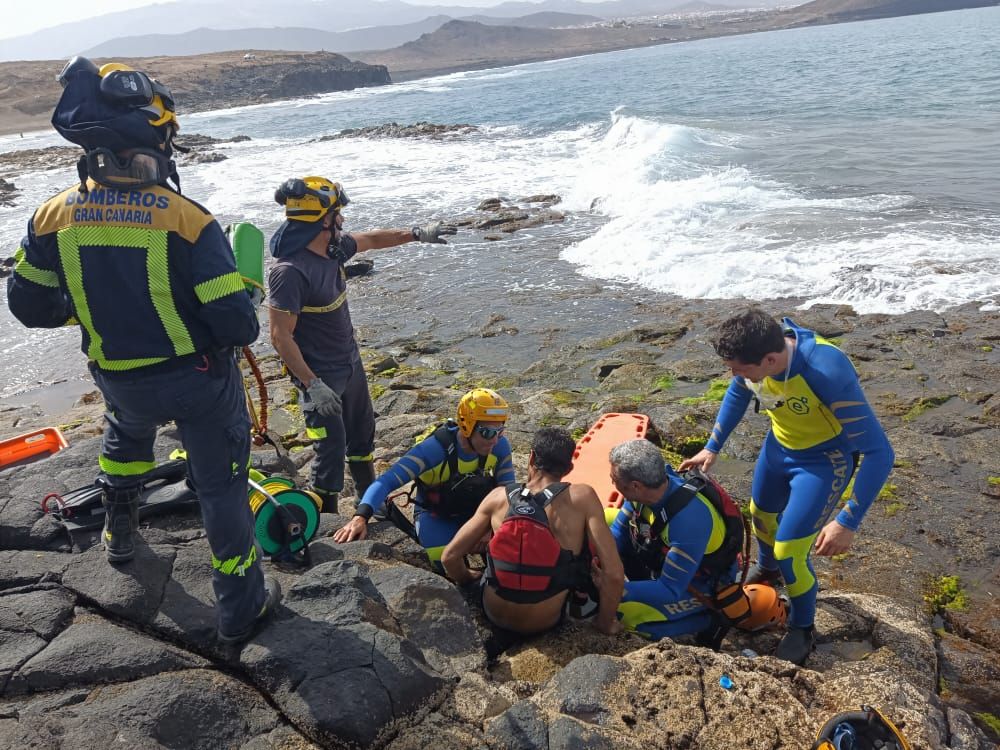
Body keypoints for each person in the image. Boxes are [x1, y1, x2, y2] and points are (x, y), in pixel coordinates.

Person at [6, 57, 279, 643]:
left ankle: (119, 536)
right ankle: (240, 606)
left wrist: (89, 307)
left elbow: (29, 306)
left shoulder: (51, 215)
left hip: (118, 378)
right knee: (222, 487)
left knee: (124, 441)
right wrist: (247, 289)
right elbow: (236, 327)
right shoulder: (187, 221)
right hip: (198, 381)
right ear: (157, 139)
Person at [679, 308, 894, 665]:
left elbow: (879, 452)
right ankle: (767, 569)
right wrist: (711, 447)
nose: (733, 374)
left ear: (771, 358)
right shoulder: (757, 361)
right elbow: (738, 392)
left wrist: (847, 521)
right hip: (780, 447)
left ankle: (802, 626)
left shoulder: (825, 372)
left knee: (790, 549)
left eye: (740, 367)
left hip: (824, 461)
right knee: (759, 512)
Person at [267, 176, 456, 511]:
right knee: (330, 449)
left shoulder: (334, 248)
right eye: (337, 213)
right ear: (323, 219)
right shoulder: (290, 272)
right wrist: (313, 385)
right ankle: (324, 518)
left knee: (361, 436)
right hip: (320, 374)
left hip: (349, 363)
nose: (342, 219)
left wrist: (415, 234)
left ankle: (370, 504)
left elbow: (370, 239)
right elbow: (280, 336)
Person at [442, 427, 625, 636]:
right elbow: (614, 574)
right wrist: (605, 623)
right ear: (569, 468)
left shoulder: (498, 497)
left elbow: (450, 557)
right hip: (545, 622)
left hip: (493, 613)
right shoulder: (582, 497)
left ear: (531, 458)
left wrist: (467, 579)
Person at [333, 388, 514, 568]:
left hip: (478, 514)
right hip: (437, 514)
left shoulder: (499, 447)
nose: (495, 440)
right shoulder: (434, 450)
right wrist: (360, 517)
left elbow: (509, 493)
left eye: (500, 431)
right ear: (467, 425)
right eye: (488, 432)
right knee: (444, 561)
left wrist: (489, 528)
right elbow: (386, 481)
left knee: (508, 553)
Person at [608, 439, 742, 643]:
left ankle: (709, 619)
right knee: (599, 518)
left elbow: (670, 589)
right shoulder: (646, 492)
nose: (612, 483)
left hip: (699, 584)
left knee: (627, 617)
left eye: (614, 479)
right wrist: (594, 557)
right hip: (664, 553)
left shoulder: (689, 522)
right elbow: (617, 531)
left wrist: (614, 588)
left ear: (636, 485)